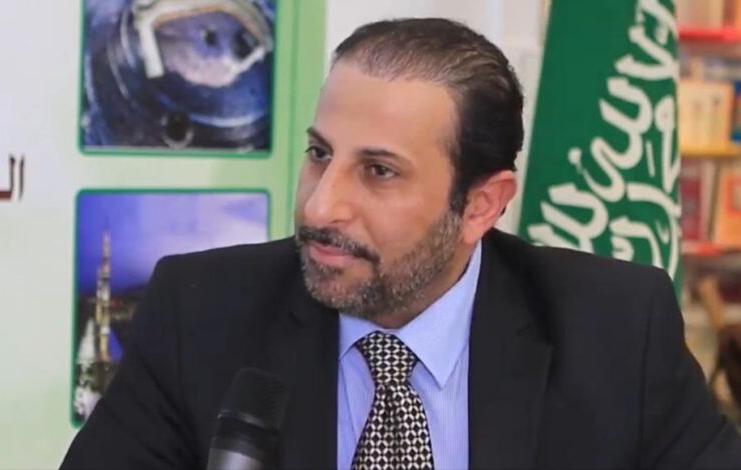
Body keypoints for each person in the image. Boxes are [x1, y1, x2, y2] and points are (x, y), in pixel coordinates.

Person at [61, 18, 741, 469]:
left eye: (379, 171)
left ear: (481, 204)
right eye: (319, 154)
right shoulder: (200, 314)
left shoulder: (615, 329)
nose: (321, 205)